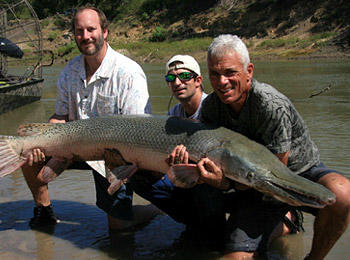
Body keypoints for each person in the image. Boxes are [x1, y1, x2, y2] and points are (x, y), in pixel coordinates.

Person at [193, 34, 350, 259]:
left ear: (249, 71)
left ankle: (313, 256)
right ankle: (286, 221)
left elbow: (276, 175)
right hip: (250, 179)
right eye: (214, 74)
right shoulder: (210, 107)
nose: (221, 82)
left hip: (291, 173)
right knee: (236, 256)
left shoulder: (270, 104)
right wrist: (217, 180)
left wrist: (229, 183)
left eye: (230, 73)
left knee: (342, 193)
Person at [21, 5, 159, 231]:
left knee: (119, 230)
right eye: (79, 31)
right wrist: (42, 136)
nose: (85, 37)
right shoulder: (69, 71)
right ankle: (43, 210)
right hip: (72, 148)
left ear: (105, 32)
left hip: (113, 156)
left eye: (91, 29)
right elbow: (61, 116)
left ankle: (154, 210)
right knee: (26, 151)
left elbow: (138, 133)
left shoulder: (129, 73)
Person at [129, 55, 226, 249]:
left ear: (198, 80)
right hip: (187, 177)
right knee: (136, 175)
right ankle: (191, 221)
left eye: (184, 76)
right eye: (171, 79)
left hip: (217, 182)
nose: (178, 82)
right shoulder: (173, 114)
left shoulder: (215, 109)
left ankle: (214, 229)